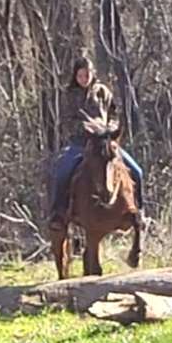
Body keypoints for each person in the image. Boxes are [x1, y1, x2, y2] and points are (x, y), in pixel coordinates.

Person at [48, 57, 145, 231]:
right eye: (80, 76)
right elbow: (66, 121)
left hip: (105, 142)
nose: (84, 79)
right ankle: (58, 214)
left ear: (92, 74)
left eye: (87, 75)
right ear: (75, 76)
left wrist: (110, 127)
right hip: (80, 143)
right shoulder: (69, 95)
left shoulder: (102, 92)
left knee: (137, 171)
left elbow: (114, 113)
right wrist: (85, 127)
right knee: (62, 173)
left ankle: (140, 212)